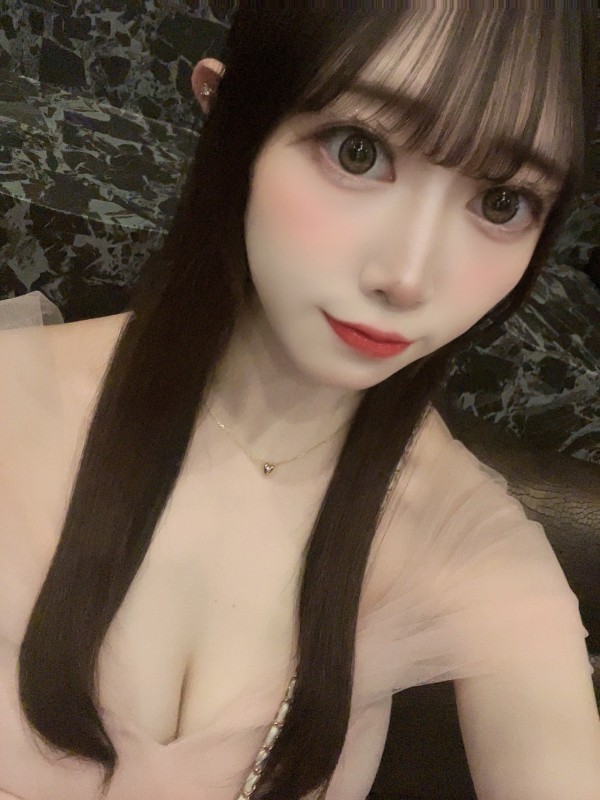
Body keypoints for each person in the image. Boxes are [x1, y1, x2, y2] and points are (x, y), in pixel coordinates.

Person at [0, 8, 598, 800]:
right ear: (229, 114)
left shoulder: (472, 551)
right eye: (359, 151)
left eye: (501, 203)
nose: (407, 277)